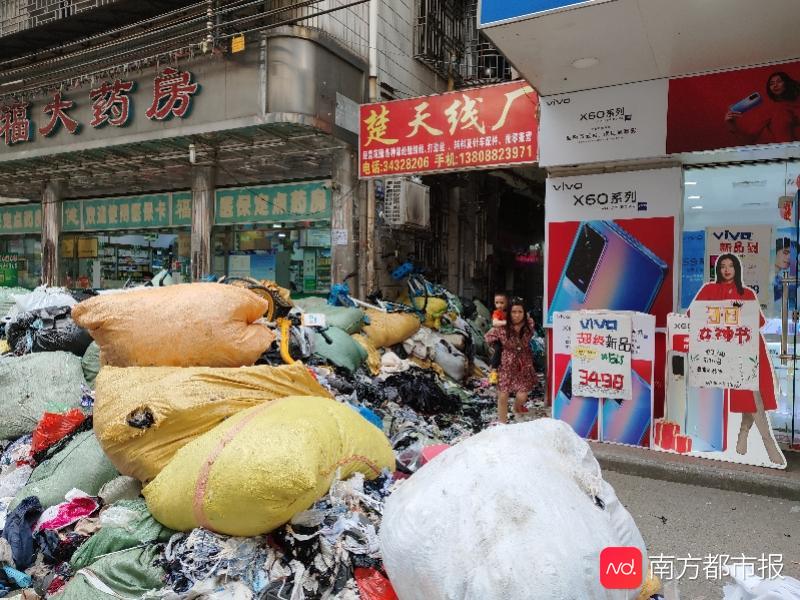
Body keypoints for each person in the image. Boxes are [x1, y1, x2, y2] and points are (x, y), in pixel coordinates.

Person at [693, 254, 784, 465]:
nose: (726, 270)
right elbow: (694, 316)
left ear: (737, 269)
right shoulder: (709, 290)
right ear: (718, 270)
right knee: (750, 396)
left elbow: (758, 322)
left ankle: (747, 434)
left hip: (750, 349)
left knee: (755, 394)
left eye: (730, 266)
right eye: (722, 266)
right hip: (723, 353)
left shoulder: (747, 293)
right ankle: (766, 442)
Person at [485, 297, 538, 424]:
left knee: (522, 395)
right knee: (503, 395)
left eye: (520, 312)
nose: (517, 315)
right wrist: (497, 347)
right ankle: (502, 424)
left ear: (524, 313)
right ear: (509, 313)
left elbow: (530, 321)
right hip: (506, 363)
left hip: (523, 363)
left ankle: (516, 407)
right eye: (514, 312)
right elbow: (488, 336)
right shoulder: (502, 327)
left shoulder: (528, 325)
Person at [725, 71, 800, 144]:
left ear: (787, 83)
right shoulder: (771, 110)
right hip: (788, 153)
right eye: (771, 83)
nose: (775, 85)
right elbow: (749, 139)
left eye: (779, 81)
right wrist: (732, 124)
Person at [488, 292, 508, 385]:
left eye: (501, 303)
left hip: (509, 337)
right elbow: (495, 323)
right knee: (497, 351)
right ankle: (494, 373)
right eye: (497, 303)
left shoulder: (510, 312)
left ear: (507, 302)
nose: (499, 305)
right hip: (499, 337)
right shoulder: (497, 313)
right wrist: (506, 323)